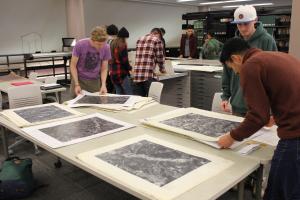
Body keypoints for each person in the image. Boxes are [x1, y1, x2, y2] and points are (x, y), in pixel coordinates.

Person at [218, 37, 300, 200]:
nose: (236, 72)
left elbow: (257, 116)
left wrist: (231, 137)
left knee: (279, 192)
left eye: (233, 68)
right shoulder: (278, 57)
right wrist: (275, 117)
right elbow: (290, 92)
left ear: (236, 58)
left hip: (295, 137)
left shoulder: (250, 66)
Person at [221, 5, 277, 116]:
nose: (242, 28)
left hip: (259, 107)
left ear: (255, 20)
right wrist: (225, 96)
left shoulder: (267, 41)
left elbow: (273, 75)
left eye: (246, 23)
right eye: (239, 24)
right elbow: (227, 72)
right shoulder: (233, 42)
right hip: (237, 105)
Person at [70, 26, 111, 97]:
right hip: (79, 80)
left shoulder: (106, 47)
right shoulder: (80, 45)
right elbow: (73, 65)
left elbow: (104, 68)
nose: (101, 47)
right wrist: (76, 84)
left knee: (94, 104)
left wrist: (103, 84)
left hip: (94, 82)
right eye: (98, 44)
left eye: (103, 44)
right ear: (92, 40)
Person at [133, 28, 166, 97]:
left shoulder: (140, 39)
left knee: (139, 100)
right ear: (158, 34)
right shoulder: (157, 40)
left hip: (137, 75)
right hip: (148, 75)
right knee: (152, 100)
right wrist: (162, 69)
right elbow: (160, 57)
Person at [109, 27, 132, 95]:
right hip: (121, 72)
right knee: (129, 93)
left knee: (118, 92)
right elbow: (124, 61)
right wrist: (130, 68)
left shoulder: (112, 44)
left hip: (113, 72)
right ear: (124, 37)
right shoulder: (123, 45)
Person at [106, 24, 119, 93]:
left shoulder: (108, 41)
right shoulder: (117, 41)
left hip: (108, 68)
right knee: (115, 88)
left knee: (109, 88)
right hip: (114, 67)